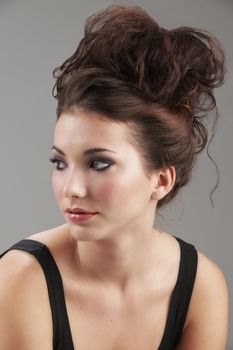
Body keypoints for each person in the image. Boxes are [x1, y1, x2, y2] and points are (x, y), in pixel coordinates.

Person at [0, 5, 229, 350]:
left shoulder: (200, 285)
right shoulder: (21, 278)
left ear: (161, 180)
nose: (71, 189)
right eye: (59, 163)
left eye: (98, 163)